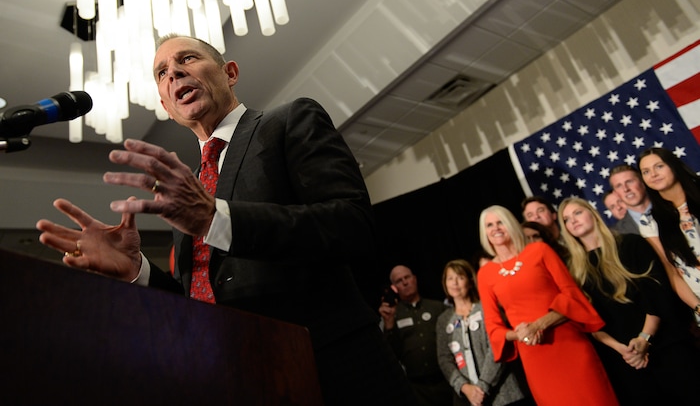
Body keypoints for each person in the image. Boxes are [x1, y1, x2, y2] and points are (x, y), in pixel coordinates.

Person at [35, 35, 416, 405]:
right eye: (161, 73)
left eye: (186, 59)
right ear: (167, 107)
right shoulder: (190, 186)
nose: (173, 74)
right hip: (241, 377)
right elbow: (201, 296)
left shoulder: (288, 121)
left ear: (229, 72)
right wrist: (138, 272)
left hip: (331, 367)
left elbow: (351, 224)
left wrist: (216, 218)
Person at [559, 197, 699, 405]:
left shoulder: (631, 244)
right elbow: (588, 320)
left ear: (592, 213)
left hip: (666, 345)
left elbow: (658, 295)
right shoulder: (573, 271)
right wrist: (621, 349)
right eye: (567, 219)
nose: (573, 221)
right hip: (626, 362)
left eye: (577, 213)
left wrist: (644, 338)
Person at [477, 205, 618, 406]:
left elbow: (571, 295)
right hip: (534, 353)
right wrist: (519, 334)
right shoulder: (485, 274)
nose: (495, 228)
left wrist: (539, 325)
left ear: (511, 224)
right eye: (489, 225)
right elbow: (493, 327)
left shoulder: (540, 250)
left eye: (500, 222)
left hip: (568, 343)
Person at [436, 259, 532, 406]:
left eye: (460, 277)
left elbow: (497, 347)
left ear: (470, 281)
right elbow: (444, 359)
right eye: (450, 278)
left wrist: (483, 386)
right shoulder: (444, 319)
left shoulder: (486, 308)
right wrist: (464, 387)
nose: (455, 283)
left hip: (503, 394)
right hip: (467, 398)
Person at [639, 147, 700, 324]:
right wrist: (697, 306)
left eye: (659, 166)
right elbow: (671, 271)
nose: (653, 174)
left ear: (673, 165)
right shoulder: (649, 222)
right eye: (646, 171)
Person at [378, 265, 452, 406]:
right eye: (399, 281)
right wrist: (389, 326)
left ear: (415, 279)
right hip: (418, 389)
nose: (405, 282)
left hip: (446, 381)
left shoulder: (437, 307)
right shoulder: (392, 315)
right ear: (394, 288)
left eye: (407, 277)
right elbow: (392, 355)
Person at [609, 165, 649, 235]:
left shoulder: (671, 209)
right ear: (615, 193)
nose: (626, 189)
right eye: (619, 186)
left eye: (629, 182)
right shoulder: (617, 233)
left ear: (643, 182)